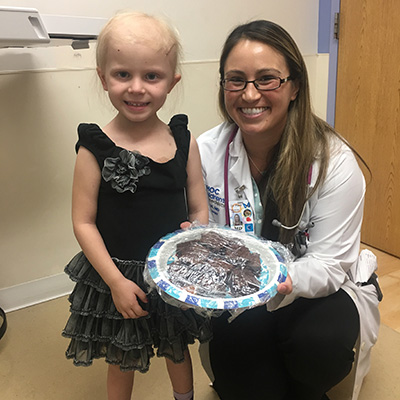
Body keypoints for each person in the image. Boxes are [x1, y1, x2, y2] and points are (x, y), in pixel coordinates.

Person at [197, 20, 381, 400]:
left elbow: (329, 265)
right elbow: (206, 238)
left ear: (294, 85)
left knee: (319, 348)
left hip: (317, 292)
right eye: (236, 80)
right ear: (223, 86)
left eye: (267, 79)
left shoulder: (334, 160)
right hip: (243, 295)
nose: (250, 95)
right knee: (239, 377)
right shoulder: (206, 152)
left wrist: (276, 281)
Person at [62, 12, 211, 400]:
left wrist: (195, 233)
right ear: (102, 77)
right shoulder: (94, 148)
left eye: (152, 76)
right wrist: (115, 281)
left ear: (172, 81)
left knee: (177, 347)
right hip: (120, 274)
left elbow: (198, 207)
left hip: (172, 272)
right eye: (122, 74)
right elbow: (83, 222)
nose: (137, 88)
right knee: (122, 355)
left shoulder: (184, 141)